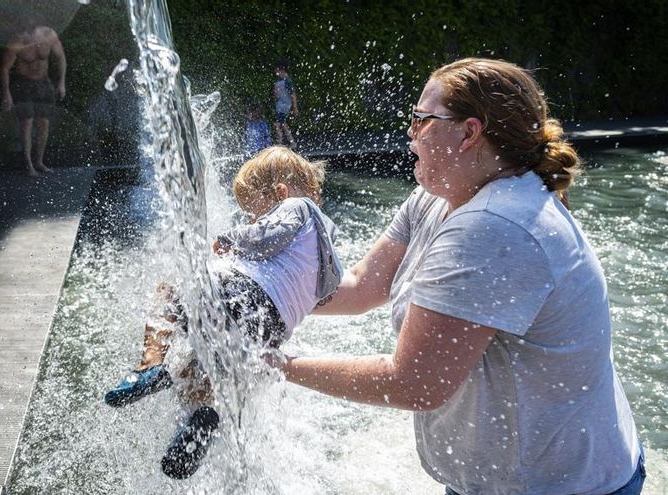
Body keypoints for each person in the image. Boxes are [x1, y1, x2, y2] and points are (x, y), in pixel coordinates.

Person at [275, 58, 645, 495]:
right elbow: (360, 284)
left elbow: (414, 382)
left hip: (563, 488)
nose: (410, 132)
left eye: (422, 120)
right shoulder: (436, 197)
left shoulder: (496, 226)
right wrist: (258, 292)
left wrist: (277, 365)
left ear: (469, 132)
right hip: (506, 480)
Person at [104, 146, 343, 479]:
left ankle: (149, 366)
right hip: (268, 331)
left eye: (252, 212)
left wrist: (231, 239)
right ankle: (203, 416)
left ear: (280, 193)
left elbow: (269, 235)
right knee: (195, 370)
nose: (250, 220)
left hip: (241, 298)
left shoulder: (295, 206)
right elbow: (324, 293)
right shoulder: (328, 250)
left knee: (170, 288)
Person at [0, 20, 66, 176]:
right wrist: (6, 92)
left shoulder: (49, 34)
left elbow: (61, 57)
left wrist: (61, 82)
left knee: (44, 123)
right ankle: (28, 164)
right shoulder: (18, 40)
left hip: (44, 84)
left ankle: (39, 162)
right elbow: (5, 68)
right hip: (24, 85)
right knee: (27, 123)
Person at [273, 62, 299, 150]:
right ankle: (292, 142)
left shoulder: (287, 81)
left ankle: (279, 144)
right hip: (281, 106)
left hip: (284, 107)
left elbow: (293, 94)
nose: (277, 73)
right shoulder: (281, 81)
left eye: (278, 71)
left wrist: (295, 107)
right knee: (283, 124)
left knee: (277, 124)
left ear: (282, 70)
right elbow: (277, 95)